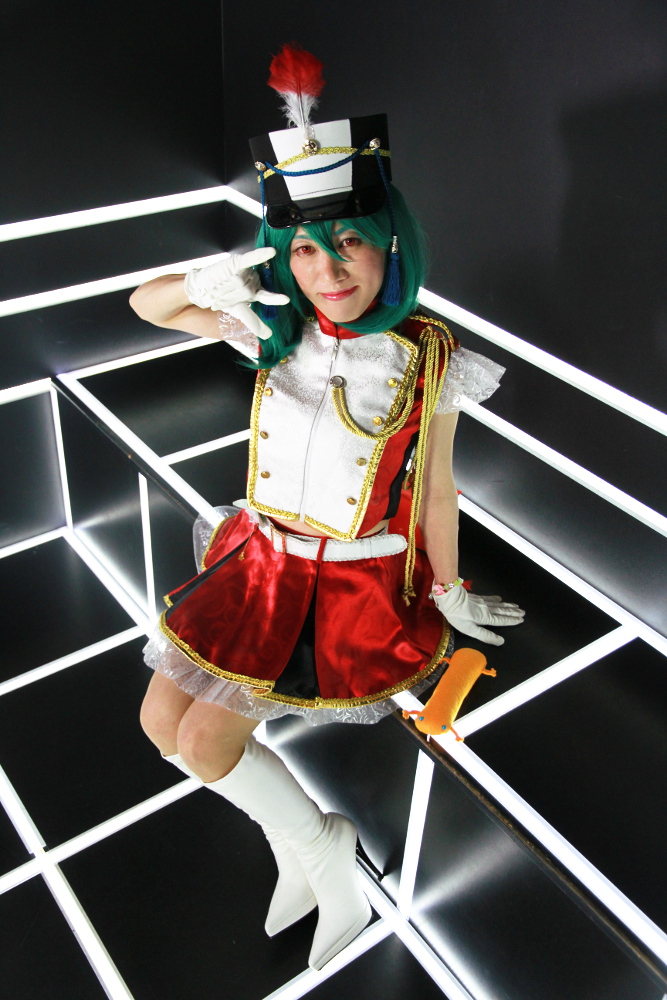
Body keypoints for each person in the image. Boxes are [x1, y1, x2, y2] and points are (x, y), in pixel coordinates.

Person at [129, 45, 524, 970]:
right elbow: (146, 305)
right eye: (304, 248)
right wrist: (208, 283)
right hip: (258, 560)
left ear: (388, 242)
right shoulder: (275, 328)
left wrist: (449, 586)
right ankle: (307, 849)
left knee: (204, 743)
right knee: (160, 727)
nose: (326, 268)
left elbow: (434, 485)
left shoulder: (429, 354)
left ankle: (322, 855)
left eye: (348, 241)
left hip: (340, 581)